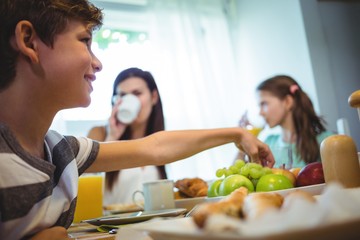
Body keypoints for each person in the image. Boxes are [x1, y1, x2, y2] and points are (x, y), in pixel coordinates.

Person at [0, 0, 274, 239]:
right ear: (28, 40)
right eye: (85, 40)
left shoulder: (62, 151)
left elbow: (154, 148)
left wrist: (236, 134)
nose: (97, 64)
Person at [87, 67, 168, 205]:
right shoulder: (99, 134)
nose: (129, 100)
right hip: (110, 225)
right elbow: (84, 189)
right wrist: (112, 137)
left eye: (137, 93)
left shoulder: (159, 140)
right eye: (122, 95)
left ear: (153, 97)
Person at [238, 75, 333, 169]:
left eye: (264, 104)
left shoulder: (326, 141)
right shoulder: (268, 144)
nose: (260, 113)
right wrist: (243, 140)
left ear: (288, 101)